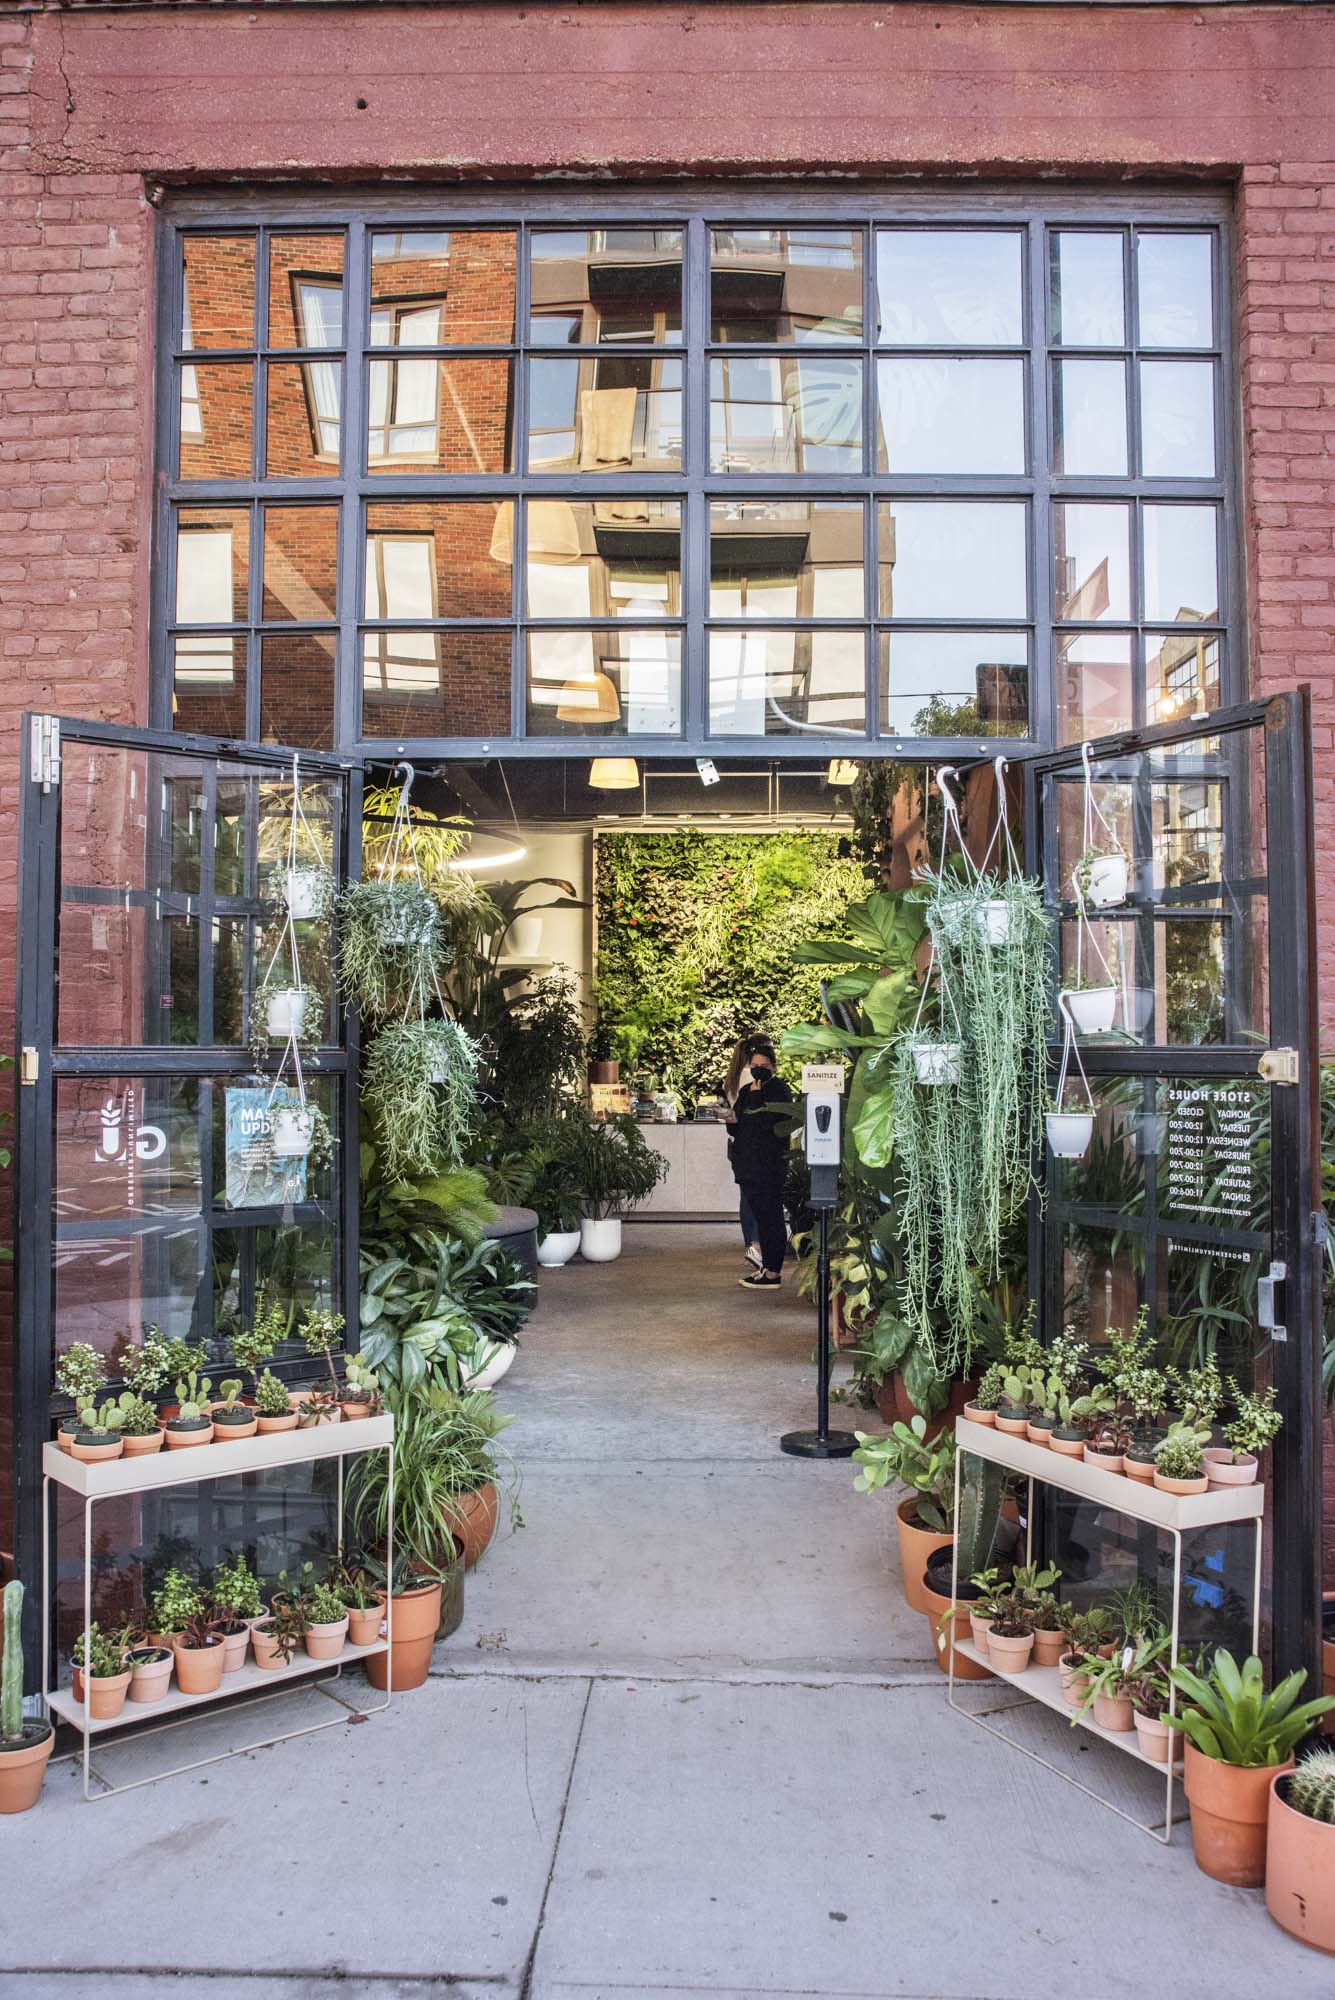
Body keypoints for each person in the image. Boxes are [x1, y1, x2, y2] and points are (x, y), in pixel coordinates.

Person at [727, 1035, 794, 1290]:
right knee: (761, 1216)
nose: (758, 1070)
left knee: (770, 1218)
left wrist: (755, 1099)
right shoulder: (746, 1090)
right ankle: (766, 1267)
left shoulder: (779, 1091)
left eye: (764, 1066)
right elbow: (739, 1125)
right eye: (754, 1065)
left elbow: (767, 1124)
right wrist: (728, 1116)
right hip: (748, 1166)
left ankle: (773, 1271)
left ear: (773, 1068)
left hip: (768, 1166)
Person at [722, 1036, 761, 1268]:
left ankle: (751, 1243)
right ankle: (755, 1245)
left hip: (736, 1144)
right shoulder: (752, 1078)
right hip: (752, 1145)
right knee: (755, 1197)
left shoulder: (732, 1078)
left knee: (746, 1196)